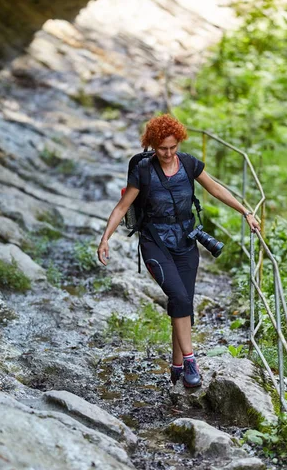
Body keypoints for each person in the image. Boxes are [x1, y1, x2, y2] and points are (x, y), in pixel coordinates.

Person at [97, 114, 260, 388]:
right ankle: (190, 361)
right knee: (178, 296)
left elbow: (216, 189)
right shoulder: (144, 170)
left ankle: (175, 368)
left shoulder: (188, 163)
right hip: (155, 242)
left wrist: (245, 211)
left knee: (183, 303)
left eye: (173, 147)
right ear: (152, 145)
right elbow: (123, 206)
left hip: (185, 241)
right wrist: (105, 238)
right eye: (162, 148)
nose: (168, 153)